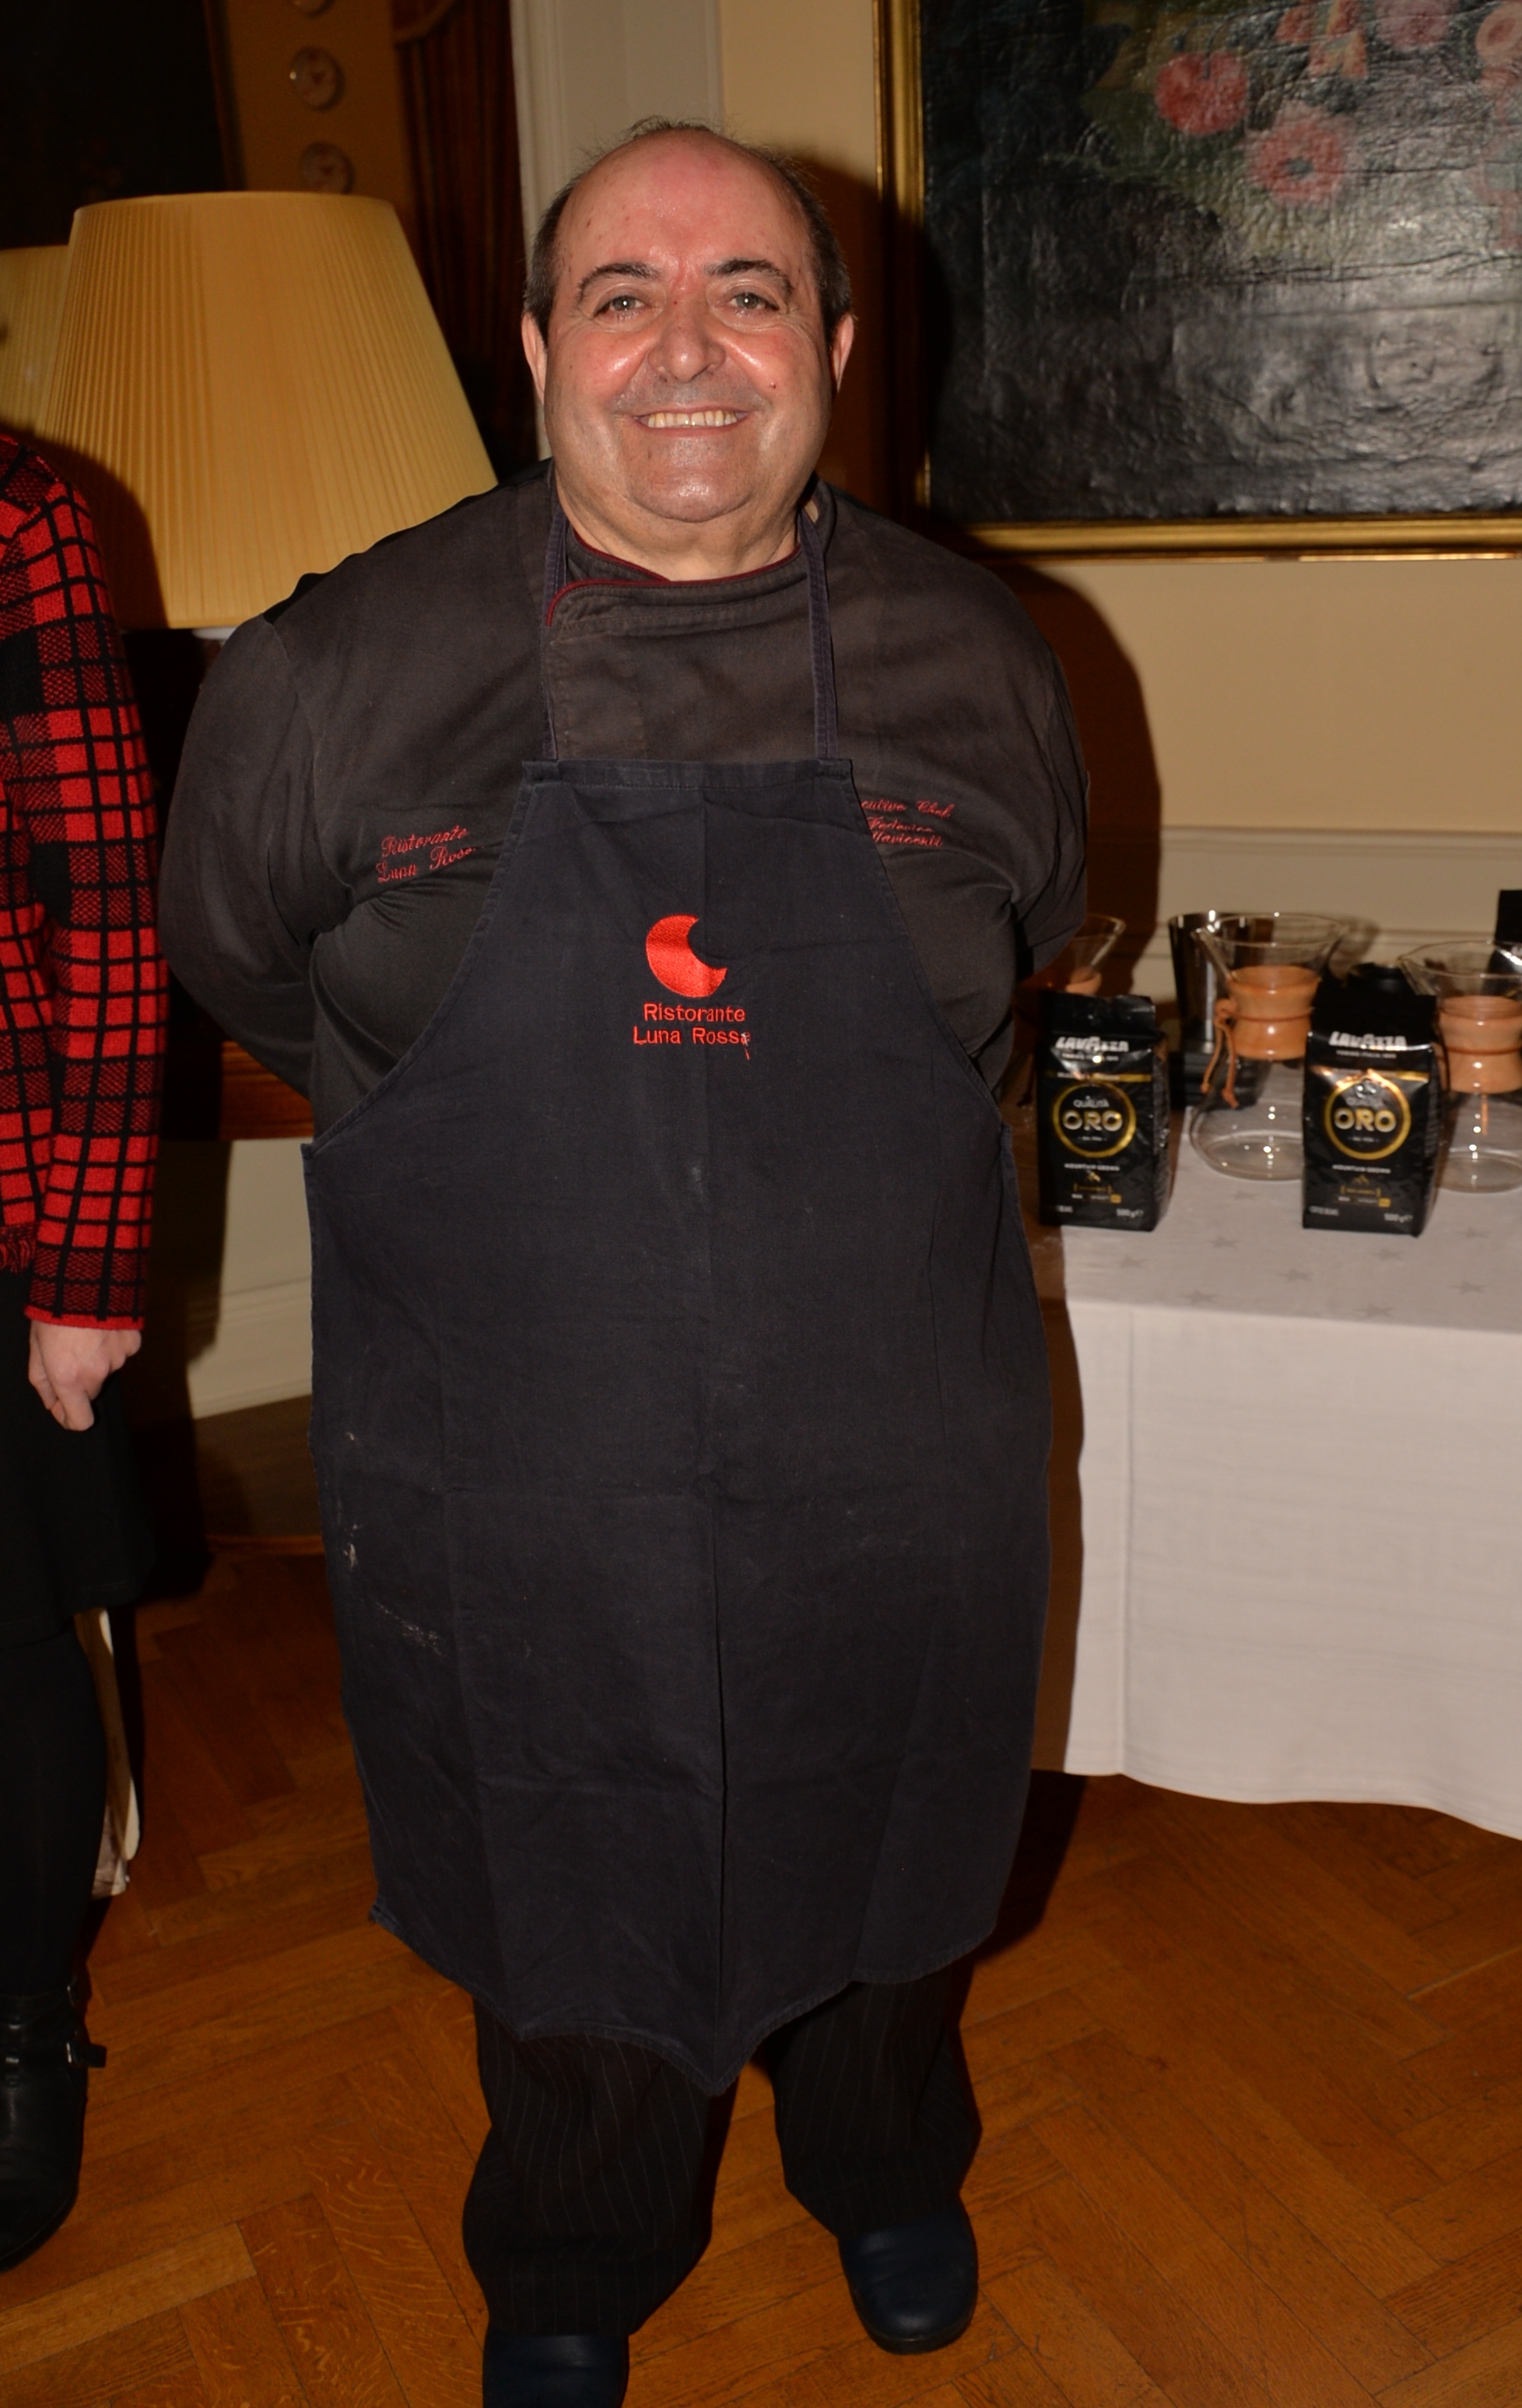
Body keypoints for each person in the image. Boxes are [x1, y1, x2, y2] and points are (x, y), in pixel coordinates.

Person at [160, 122, 1085, 2406]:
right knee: (566, 1860)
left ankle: (881, 2154)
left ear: (834, 348)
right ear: (536, 347)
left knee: (891, 1831)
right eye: (623, 295)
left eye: (748, 292)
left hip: (896, 1430)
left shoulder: (983, 658)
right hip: (512, 1453)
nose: (688, 348)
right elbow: (244, 971)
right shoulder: (335, 673)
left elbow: (1025, 950)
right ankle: (575, 2234)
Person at [0, 434, 165, 2269]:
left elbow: (108, 904)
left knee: (3, 1638)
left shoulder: (15, 513)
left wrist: (86, 1259)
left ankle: (21, 2016)